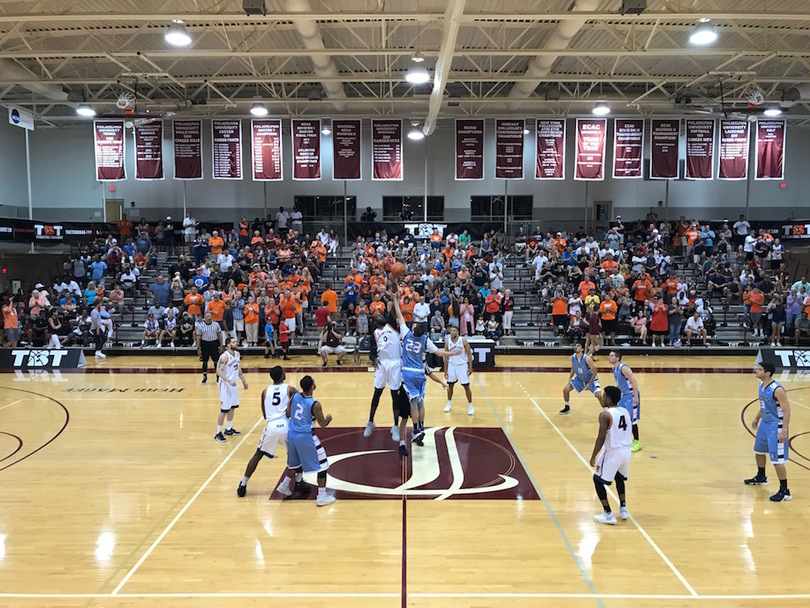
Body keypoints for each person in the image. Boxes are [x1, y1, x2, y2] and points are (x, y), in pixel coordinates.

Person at [390, 288, 458, 457]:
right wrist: (453, 353)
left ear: (413, 329)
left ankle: (416, 429)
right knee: (420, 402)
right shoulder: (425, 340)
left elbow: (399, 315)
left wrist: (394, 300)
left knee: (412, 403)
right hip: (421, 372)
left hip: (408, 373)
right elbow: (439, 354)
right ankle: (420, 427)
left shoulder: (406, 334)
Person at [237, 366, 309, 497]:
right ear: (281, 376)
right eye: (283, 372)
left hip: (271, 426)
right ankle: (298, 482)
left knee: (257, 455)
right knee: (297, 454)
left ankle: (242, 484)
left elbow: (265, 415)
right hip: (286, 425)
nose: (285, 372)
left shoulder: (265, 392)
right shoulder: (290, 389)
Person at [275, 375, 336, 507]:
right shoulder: (315, 404)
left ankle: (285, 485)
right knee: (323, 464)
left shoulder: (295, 396)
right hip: (306, 436)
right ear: (312, 386)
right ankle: (322, 496)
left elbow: (288, 414)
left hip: (291, 435)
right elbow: (323, 424)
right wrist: (329, 418)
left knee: (295, 464)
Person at [745, 363, 792, 502]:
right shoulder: (761, 386)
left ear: (767, 373)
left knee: (777, 460)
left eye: (759, 369)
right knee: (758, 451)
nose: (755, 371)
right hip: (765, 424)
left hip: (775, 426)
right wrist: (757, 417)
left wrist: (784, 430)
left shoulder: (777, 389)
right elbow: (764, 404)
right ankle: (761, 477)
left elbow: (787, 410)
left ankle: (785, 490)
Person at [363, 301, 406, 440]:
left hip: (395, 362)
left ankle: (395, 426)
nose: (380, 316)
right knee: (377, 393)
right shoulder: (374, 334)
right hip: (382, 364)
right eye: (377, 317)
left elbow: (394, 309)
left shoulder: (390, 323)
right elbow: (371, 352)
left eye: (380, 315)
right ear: (375, 322)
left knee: (395, 394)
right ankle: (370, 421)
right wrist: (373, 358)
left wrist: (394, 295)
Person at [589, 386, 631, 525]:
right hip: (626, 451)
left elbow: (600, 438)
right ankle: (623, 508)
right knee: (619, 478)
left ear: (609, 399)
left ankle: (608, 514)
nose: (603, 398)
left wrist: (593, 455)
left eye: (604, 396)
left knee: (597, 480)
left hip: (613, 452)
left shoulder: (605, 415)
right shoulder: (626, 411)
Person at [214, 337, 248, 443]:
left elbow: (238, 369)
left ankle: (228, 429)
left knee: (232, 407)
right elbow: (218, 371)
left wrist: (243, 380)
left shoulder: (237, 354)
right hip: (225, 384)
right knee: (224, 409)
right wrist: (228, 381)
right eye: (234, 342)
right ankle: (218, 433)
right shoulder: (224, 356)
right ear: (228, 345)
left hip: (234, 384)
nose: (236, 343)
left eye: (237, 342)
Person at [609, 350, 642, 452]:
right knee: (623, 418)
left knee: (632, 420)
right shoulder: (614, 368)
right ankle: (625, 439)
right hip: (623, 396)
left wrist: (635, 396)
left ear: (617, 358)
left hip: (631, 396)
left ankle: (637, 441)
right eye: (609, 355)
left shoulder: (624, 368)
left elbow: (634, 381)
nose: (609, 357)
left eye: (612, 355)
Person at [443, 320, 474, 415]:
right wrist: (445, 370)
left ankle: (470, 406)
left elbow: (469, 354)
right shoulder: (448, 342)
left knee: (466, 386)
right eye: (451, 331)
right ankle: (449, 403)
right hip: (452, 366)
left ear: (458, 332)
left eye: (454, 331)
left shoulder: (463, 341)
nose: (452, 332)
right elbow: (446, 356)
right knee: (450, 386)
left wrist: (470, 367)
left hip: (462, 365)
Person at [561, 341, 602, 415]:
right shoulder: (572, 357)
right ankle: (567, 406)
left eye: (578, 345)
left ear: (582, 349)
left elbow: (595, 371)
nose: (576, 347)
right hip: (579, 379)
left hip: (590, 379)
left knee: (598, 395)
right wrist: (570, 377)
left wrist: (589, 384)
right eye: (575, 345)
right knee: (566, 390)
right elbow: (573, 368)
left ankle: (606, 410)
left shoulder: (587, 358)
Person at [196, 311, 224, 384]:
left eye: (210, 316)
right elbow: (198, 337)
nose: (209, 318)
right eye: (208, 317)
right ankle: (204, 376)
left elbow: (220, 336)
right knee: (205, 361)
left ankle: (218, 377)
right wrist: (198, 348)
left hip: (214, 343)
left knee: (216, 361)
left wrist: (221, 346)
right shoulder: (201, 325)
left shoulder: (216, 324)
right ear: (204, 318)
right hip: (205, 344)